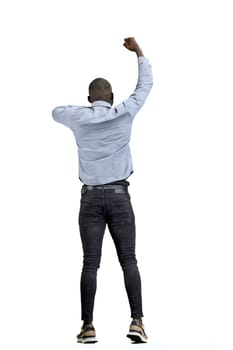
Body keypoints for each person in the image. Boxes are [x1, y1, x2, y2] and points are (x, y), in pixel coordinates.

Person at [52, 37, 153, 343]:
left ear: (89, 97)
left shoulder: (78, 117)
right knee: (129, 260)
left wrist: (87, 111)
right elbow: (145, 86)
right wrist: (139, 53)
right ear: (111, 96)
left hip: (91, 200)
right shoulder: (123, 112)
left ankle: (87, 326)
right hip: (120, 198)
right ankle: (137, 322)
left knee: (90, 263)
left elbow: (56, 111)